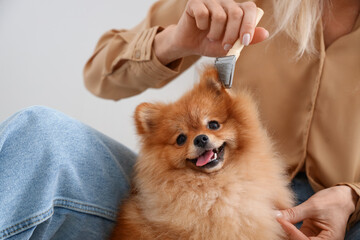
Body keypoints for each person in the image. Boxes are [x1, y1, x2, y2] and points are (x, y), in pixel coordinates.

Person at [0, 0, 358, 239]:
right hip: (182, 200)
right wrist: (175, 41)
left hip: (346, 217)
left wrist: (352, 198)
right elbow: (100, 73)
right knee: (39, 133)